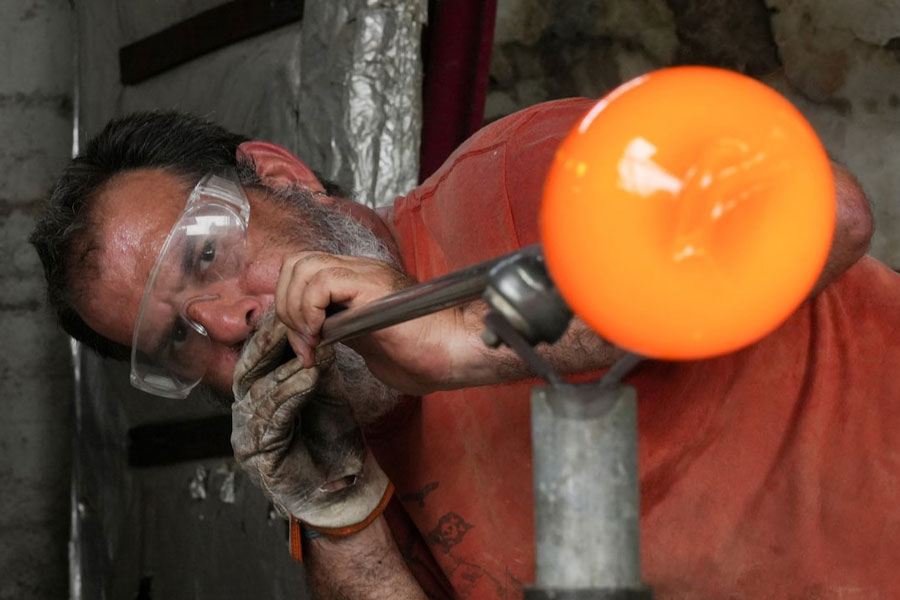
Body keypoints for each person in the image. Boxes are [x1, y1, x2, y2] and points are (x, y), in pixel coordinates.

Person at [29, 97, 899, 599]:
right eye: (177, 340)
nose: (227, 324)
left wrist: (460, 342)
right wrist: (337, 510)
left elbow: (826, 216)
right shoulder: (336, 445)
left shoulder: (524, 176)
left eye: (206, 255)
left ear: (281, 176)